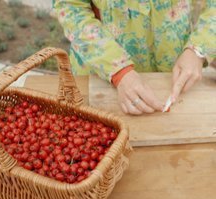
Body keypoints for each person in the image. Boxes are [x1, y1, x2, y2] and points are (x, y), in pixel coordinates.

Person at [55, 0, 216, 115]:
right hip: (101, 72)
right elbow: (70, 7)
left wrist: (198, 48)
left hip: (175, 69)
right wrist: (118, 70)